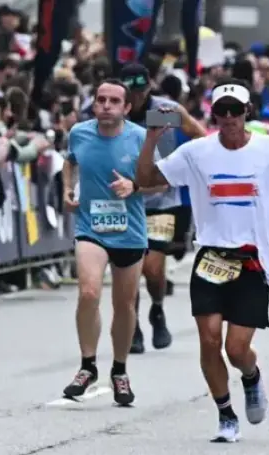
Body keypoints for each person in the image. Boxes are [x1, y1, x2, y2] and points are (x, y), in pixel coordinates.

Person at [135, 78, 269, 442]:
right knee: (209, 340)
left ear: (246, 112)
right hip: (211, 255)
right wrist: (151, 140)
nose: (228, 117)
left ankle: (251, 376)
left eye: (235, 110)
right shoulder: (197, 152)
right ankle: (226, 414)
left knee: (236, 349)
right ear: (214, 114)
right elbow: (145, 179)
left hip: (253, 259)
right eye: (220, 111)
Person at [60, 79, 155, 406]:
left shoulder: (140, 137)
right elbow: (70, 161)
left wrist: (135, 187)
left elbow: (160, 181)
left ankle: (119, 369)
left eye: (114, 101)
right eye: (100, 99)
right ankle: (88, 366)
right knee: (88, 291)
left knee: (124, 304)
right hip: (91, 226)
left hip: (129, 230)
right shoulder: (79, 133)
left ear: (127, 107)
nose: (106, 105)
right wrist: (67, 189)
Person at [117, 63, 207, 354]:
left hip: (161, 199)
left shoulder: (164, 111)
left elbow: (200, 135)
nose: (137, 97)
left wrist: (185, 164)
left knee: (153, 268)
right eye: (131, 91)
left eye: (141, 91)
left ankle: (157, 309)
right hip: (123, 202)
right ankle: (133, 326)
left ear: (148, 88)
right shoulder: (113, 111)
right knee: (130, 268)